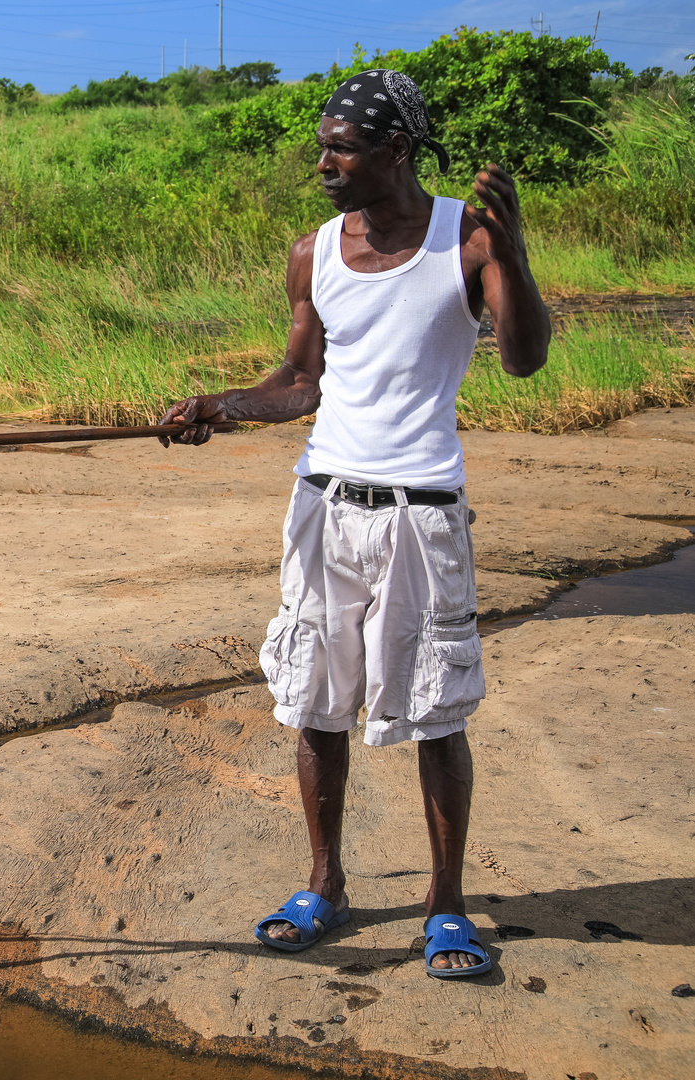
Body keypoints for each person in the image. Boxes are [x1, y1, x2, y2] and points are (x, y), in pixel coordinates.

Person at [157, 69, 550, 978]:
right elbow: (298, 383)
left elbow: (523, 361)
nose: (323, 165)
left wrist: (516, 254)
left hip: (421, 512)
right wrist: (217, 403)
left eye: (340, 148)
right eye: (321, 147)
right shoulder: (313, 252)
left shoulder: (468, 238)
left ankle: (445, 906)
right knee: (313, 704)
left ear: (395, 153)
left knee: (434, 713)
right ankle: (324, 887)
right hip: (323, 506)